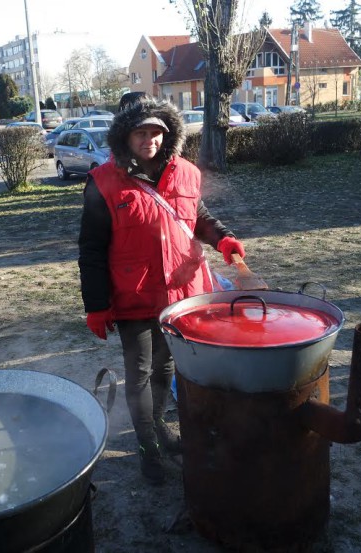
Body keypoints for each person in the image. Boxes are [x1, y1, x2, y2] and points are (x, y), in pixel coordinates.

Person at [78, 96, 246, 484]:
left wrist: (223, 239)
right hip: (133, 298)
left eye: (156, 132)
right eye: (141, 132)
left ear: (167, 134)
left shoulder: (186, 172)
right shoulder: (102, 182)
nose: (150, 139)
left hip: (181, 296)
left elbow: (197, 218)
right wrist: (97, 305)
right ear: (126, 136)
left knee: (166, 367)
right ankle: (146, 449)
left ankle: (158, 427)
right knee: (137, 375)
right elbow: (91, 250)